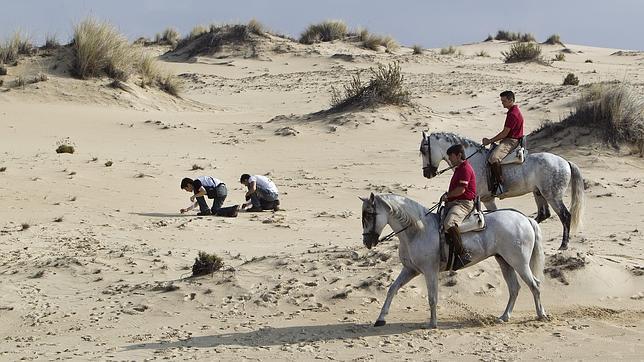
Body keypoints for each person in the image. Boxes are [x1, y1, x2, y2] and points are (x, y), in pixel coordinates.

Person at [440, 144, 477, 270]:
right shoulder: (459, 168)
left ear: (459, 155)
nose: (449, 160)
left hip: (463, 203)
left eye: (451, 157)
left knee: (449, 223)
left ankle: (463, 255)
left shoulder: (465, 169)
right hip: (455, 201)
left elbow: (461, 190)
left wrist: (447, 195)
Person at [482, 90, 524, 195]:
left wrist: (489, 140)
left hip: (511, 141)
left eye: (504, 101)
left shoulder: (513, 114)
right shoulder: (513, 111)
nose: (502, 103)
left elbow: (505, 133)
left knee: (493, 158)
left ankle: (501, 185)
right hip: (510, 139)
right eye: (501, 101)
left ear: (511, 100)